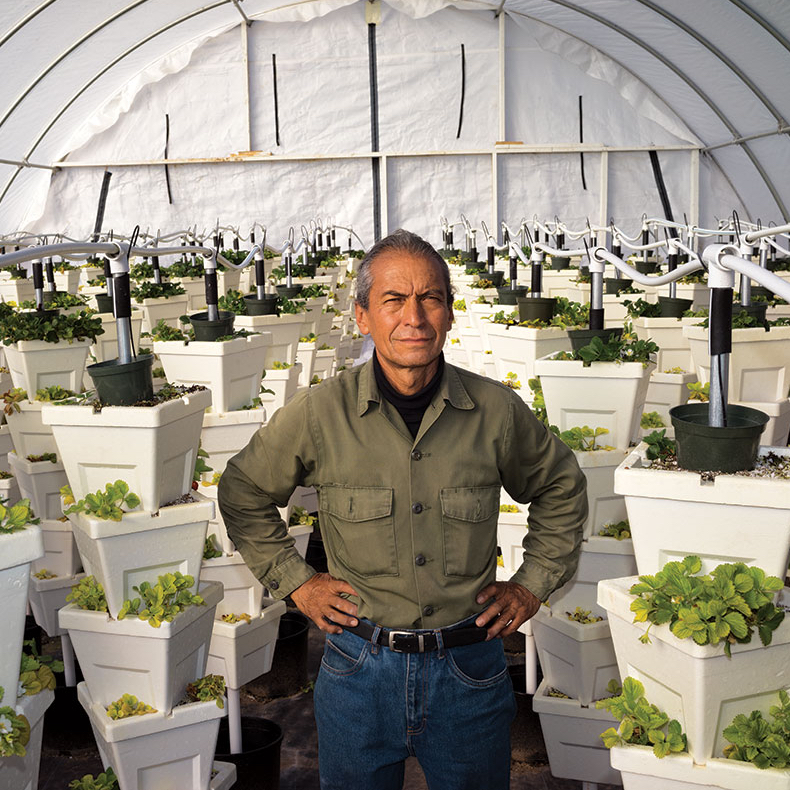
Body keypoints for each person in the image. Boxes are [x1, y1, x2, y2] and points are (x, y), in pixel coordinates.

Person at [218, 228, 588, 790]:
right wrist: (299, 583)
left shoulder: (495, 411)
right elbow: (243, 489)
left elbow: (561, 486)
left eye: (430, 298)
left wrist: (531, 585)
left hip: (469, 670)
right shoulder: (320, 413)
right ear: (362, 316)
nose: (414, 317)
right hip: (358, 671)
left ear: (450, 312)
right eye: (393, 299)